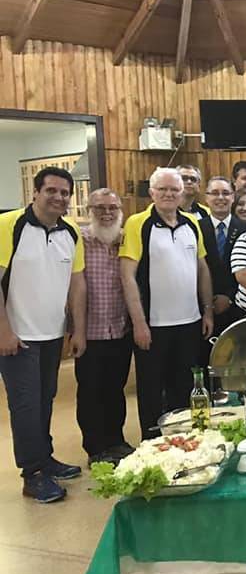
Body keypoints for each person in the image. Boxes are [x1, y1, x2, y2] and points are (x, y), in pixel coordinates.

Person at [0, 167, 85, 503]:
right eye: (51, 190)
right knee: (25, 405)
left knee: (45, 398)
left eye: (65, 193)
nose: (59, 197)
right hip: (17, 337)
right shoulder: (10, 226)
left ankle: (44, 458)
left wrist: (77, 328)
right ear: (35, 193)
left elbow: (77, 284)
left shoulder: (71, 231)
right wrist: (4, 331)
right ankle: (32, 474)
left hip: (52, 335)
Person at [120, 167, 214, 439]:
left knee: (183, 388)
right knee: (150, 390)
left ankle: (185, 442)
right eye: (162, 189)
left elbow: (202, 269)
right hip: (153, 326)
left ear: (182, 192)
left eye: (174, 189)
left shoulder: (192, 224)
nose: (169, 194)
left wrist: (207, 311)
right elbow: (127, 275)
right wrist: (139, 322)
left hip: (190, 322)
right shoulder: (138, 223)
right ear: (151, 193)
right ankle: (152, 444)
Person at [75, 188, 135, 466]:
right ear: (90, 210)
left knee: (115, 388)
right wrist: (75, 330)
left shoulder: (125, 239)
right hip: (90, 332)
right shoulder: (80, 240)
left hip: (120, 329)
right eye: (100, 208)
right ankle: (95, 448)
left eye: (112, 208)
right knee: (90, 392)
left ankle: (116, 440)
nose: (107, 213)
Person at [199, 176, 246, 334]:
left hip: (238, 309)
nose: (220, 197)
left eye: (225, 193)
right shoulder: (195, 228)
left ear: (233, 197)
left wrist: (229, 297)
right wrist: (208, 303)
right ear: (206, 198)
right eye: (215, 193)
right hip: (202, 310)